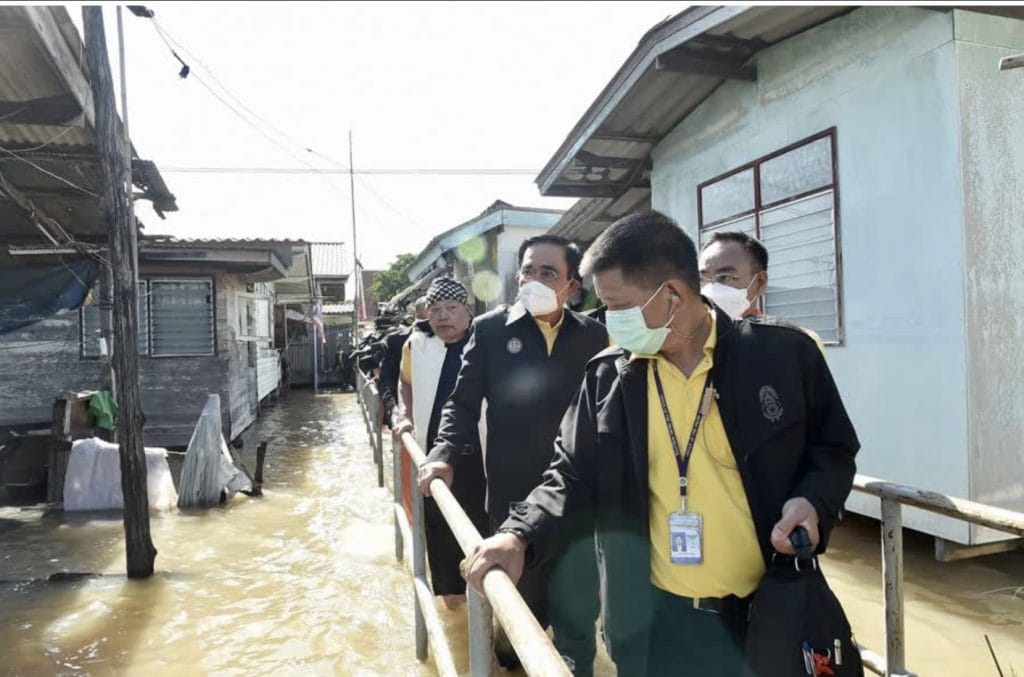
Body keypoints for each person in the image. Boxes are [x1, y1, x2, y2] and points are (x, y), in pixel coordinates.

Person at [460, 211, 859, 676]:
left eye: (618, 306)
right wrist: (518, 533)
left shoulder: (782, 356)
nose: (610, 321)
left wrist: (813, 500)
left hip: (765, 613)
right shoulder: (609, 377)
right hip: (652, 622)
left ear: (672, 294)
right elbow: (570, 473)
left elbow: (833, 448)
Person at [418, 234, 609, 674]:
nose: (533, 279)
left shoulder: (594, 337)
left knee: (578, 624)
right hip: (511, 500)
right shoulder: (489, 330)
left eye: (548, 273)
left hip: (578, 502)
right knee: (512, 628)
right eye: (527, 270)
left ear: (571, 286)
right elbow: (462, 403)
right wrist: (444, 452)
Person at [392, 279, 488, 610]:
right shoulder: (416, 344)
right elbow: (404, 383)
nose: (442, 316)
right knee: (441, 532)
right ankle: (455, 609)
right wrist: (405, 415)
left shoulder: (487, 340)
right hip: (433, 456)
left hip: (485, 455)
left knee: (484, 530)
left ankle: (488, 612)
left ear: (468, 311)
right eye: (435, 310)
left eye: (451, 309)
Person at [699, 231, 826, 353]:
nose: (710, 289)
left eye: (725, 277)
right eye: (702, 279)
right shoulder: (688, 343)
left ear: (760, 282)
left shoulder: (796, 343)